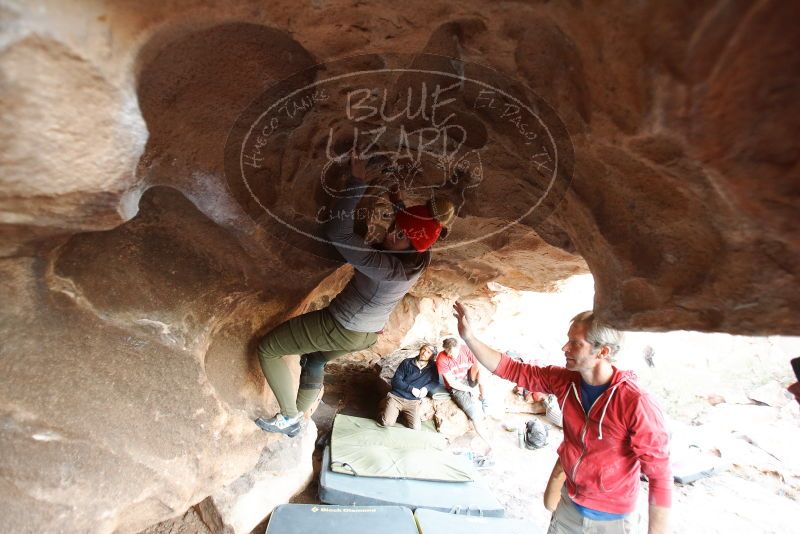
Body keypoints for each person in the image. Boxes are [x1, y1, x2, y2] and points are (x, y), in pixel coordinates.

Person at [253, 155, 455, 437]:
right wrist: (397, 200)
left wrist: (357, 183)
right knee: (315, 359)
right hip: (367, 333)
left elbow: (338, 233)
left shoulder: (385, 268)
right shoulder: (420, 256)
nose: (391, 233)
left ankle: (288, 417)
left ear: (410, 245)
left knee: (268, 349)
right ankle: (299, 413)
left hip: (341, 326)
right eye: (395, 227)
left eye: (399, 235)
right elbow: (413, 227)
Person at [453, 302, 671, 534]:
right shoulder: (565, 381)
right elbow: (511, 369)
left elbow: (660, 477)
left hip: (612, 521)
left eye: (575, 343)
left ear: (603, 352)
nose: (565, 347)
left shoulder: (635, 403)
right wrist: (470, 337)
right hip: (569, 506)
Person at [436, 337, 493, 455]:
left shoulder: (465, 349)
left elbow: (478, 364)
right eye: (449, 353)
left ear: (459, 347)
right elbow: (452, 383)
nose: (452, 356)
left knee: (482, 370)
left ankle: (484, 400)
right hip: (457, 387)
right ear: (445, 350)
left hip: (467, 377)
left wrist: (479, 388)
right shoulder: (441, 358)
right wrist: (470, 390)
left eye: (454, 352)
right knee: (475, 415)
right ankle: (489, 443)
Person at [378, 343, 440, 430]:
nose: (424, 353)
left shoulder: (433, 367)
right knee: (387, 423)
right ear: (420, 350)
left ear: (432, 356)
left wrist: (426, 388)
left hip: (413, 401)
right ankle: (384, 409)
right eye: (424, 349)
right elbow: (395, 381)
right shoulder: (407, 362)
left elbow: (435, 382)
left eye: (428, 352)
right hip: (396, 397)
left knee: (415, 428)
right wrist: (411, 389)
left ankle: (401, 415)